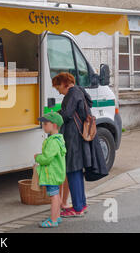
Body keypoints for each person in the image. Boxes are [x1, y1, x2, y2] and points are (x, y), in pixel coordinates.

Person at [52, 72, 90, 217]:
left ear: (64, 83)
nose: (59, 91)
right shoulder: (79, 91)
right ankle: (81, 204)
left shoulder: (72, 94)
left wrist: (53, 118)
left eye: (58, 87)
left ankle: (77, 208)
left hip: (73, 137)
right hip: (78, 136)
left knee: (73, 171)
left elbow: (66, 115)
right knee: (77, 172)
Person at [34, 112, 66, 228]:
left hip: (51, 174)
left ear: (54, 125)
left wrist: (37, 157)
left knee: (53, 196)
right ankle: (56, 216)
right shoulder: (58, 139)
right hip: (56, 173)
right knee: (56, 195)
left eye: (46, 123)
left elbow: (47, 158)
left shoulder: (53, 141)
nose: (43, 125)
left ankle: (52, 220)